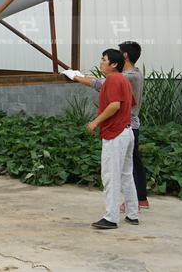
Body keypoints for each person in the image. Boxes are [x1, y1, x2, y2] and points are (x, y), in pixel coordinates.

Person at [64, 41, 148, 211]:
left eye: (104, 59)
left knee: (117, 172)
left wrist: (77, 77)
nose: (101, 62)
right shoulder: (133, 74)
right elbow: (104, 81)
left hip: (122, 126)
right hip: (129, 125)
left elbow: (112, 99)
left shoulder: (126, 77)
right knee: (131, 166)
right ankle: (138, 202)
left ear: (122, 57)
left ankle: (118, 211)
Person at [79, 49, 139, 229]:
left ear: (114, 64)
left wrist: (95, 121)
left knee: (111, 176)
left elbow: (114, 105)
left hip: (116, 133)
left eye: (104, 60)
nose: (101, 63)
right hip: (127, 132)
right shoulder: (123, 80)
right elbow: (128, 104)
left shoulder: (113, 79)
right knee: (126, 174)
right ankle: (132, 214)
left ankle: (111, 218)